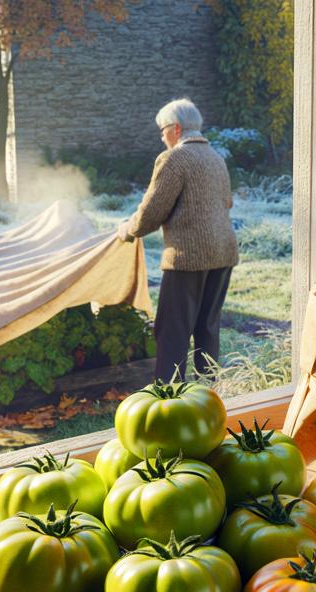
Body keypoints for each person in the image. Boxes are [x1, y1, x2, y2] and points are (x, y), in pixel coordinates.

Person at [117, 98, 238, 382]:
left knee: (172, 332)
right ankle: (208, 394)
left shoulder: (173, 159)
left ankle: (168, 396)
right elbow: (227, 202)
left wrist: (126, 230)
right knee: (207, 328)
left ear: (176, 128)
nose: (162, 138)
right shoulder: (216, 158)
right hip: (223, 253)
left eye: (162, 131)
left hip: (188, 258)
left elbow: (151, 213)